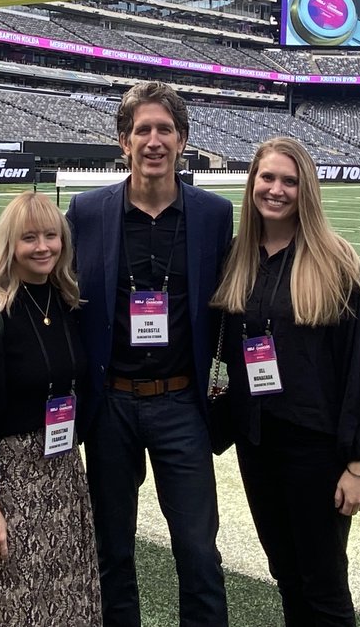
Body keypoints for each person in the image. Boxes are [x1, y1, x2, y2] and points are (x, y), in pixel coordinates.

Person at [66, 80, 233, 627]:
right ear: (124, 141)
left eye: (165, 129)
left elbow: (241, 293)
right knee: (112, 550)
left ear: (182, 140)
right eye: (143, 130)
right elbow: (47, 284)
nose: (154, 140)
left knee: (198, 552)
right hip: (110, 404)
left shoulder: (213, 214)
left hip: (180, 403)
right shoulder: (88, 211)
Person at [210, 137, 360, 627]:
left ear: (305, 190)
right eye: (267, 178)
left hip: (317, 448)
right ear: (251, 185)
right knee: (285, 573)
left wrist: (358, 463)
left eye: (289, 181)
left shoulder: (334, 260)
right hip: (258, 442)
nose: (276, 189)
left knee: (324, 584)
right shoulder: (237, 259)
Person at [0, 191, 101, 626]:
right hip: (11, 482)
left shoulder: (65, 305)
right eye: (29, 238)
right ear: (10, 245)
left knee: (68, 599)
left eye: (51, 235)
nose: (43, 246)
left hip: (62, 474)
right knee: (13, 604)